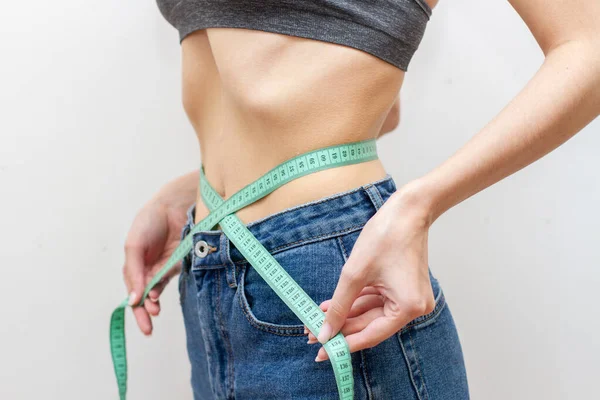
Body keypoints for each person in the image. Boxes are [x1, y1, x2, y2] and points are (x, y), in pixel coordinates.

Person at [120, 0, 600, 398]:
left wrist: (419, 206)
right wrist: (193, 191)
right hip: (211, 267)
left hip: (330, 276)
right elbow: (370, 101)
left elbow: (590, 44)